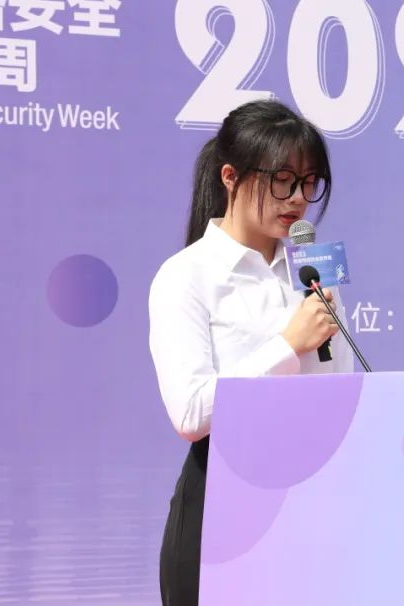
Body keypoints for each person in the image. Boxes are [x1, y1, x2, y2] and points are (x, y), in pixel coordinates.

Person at [148, 99, 354, 606]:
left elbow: (344, 394)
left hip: (309, 505)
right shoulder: (186, 275)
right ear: (231, 177)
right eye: (283, 181)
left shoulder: (314, 275)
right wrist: (287, 346)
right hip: (221, 501)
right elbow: (190, 413)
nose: (298, 199)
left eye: (309, 183)